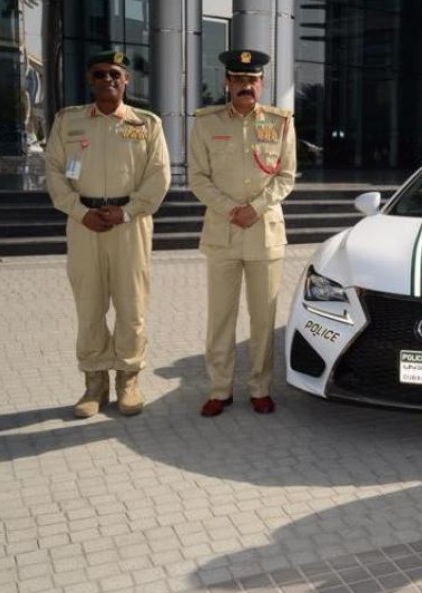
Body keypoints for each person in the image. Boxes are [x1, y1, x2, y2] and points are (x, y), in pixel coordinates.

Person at [44, 50, 171, 418]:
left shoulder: (146, 124)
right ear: (90, 80)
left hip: (130, 223)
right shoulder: (68, 122)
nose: (108, 80)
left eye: (115, 74)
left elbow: (158, 176)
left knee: (132, 306)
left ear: (126, 80)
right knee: (89, 305)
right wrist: (80, 212)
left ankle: (128, 379)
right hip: (84, 223)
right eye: (99, 74)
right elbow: (53, 171)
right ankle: (94, 383)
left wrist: (127, 211)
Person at [188, 49, 296, 417]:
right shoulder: (206, 123)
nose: (245, 86)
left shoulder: (281, 123)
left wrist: (257, 207)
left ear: (261, 84)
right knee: (220, 317)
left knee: (263, 319)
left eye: (251, 80)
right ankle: (220, 389)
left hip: (264, 232)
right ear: (227, 83)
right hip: (223, 231)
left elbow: (285, 176)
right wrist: (230, 208)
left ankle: (260, 388)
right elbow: (197, 177)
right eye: (238, 79)